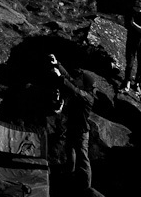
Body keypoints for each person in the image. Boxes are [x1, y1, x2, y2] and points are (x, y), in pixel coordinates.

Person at [48, 55, 96, 191]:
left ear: (86, 84)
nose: (78, 80)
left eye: (81, 79)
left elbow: (72, 88)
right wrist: (58, 64)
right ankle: (70, 172)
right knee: (70, 151)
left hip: (81, 132)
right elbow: (70, 79)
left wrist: (59, 77)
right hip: (73, 127)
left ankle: (87, 186)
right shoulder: (83, 91)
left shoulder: (88, 98)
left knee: (83, 159)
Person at [119, 0, 141, 93]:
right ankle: (127, 81)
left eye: (140, 1)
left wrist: (134, 25)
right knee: (130, 61)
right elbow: (127, 24)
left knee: (140, 63)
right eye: (137, 0)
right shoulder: (129, 11)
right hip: (131, 38)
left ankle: (137, 83)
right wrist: (132, 25)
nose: (138, 2)